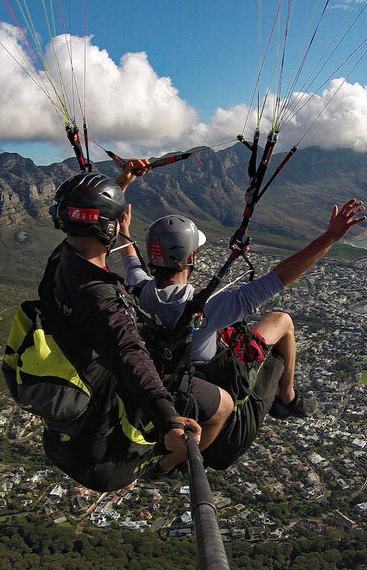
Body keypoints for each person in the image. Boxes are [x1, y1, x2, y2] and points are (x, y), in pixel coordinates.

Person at [118, 198, 366, 468]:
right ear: (190, 258)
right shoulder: (207, 308)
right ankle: (288, 398)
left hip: (174, 415)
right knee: (282, 321)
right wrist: (329, 238)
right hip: (227, 431)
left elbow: (131, 262)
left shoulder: (139, 292)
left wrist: (124, 230)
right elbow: (278, 278)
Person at [35, 163, 232, 491]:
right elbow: (130, 354)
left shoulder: (59, 263)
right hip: (103, 460)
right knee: (222, 404)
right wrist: (168, 417)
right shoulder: (103, 298)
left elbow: (90, 216)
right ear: (110, 229)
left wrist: (121, 183)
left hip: (64, 432)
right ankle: (166, 464)